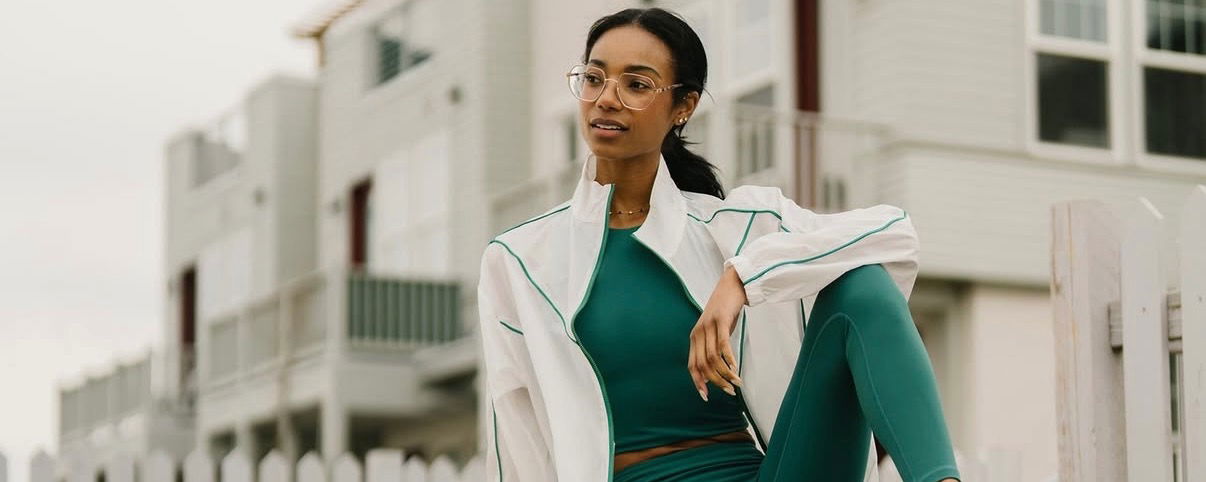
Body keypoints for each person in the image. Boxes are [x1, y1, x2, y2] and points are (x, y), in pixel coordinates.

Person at [478, 7, 961, 482]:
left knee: (861, 286)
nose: (607, 98)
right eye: (594, 78)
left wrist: (742, 279)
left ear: (682, 107)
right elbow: (514, 433)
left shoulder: (736, 227)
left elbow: (893, 233)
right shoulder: (521, 261)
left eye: (637, 85)